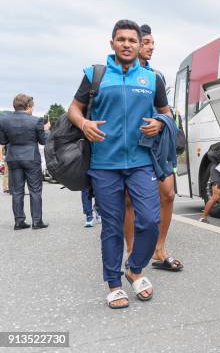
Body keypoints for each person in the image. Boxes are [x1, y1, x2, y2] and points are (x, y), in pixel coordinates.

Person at [67, 19, 171, 309]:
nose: (127, 44)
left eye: (132, 40)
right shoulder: (96, 74)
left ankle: (135, 268)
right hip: (104, 163)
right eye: (121, 39)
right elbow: (74, 108)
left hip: (141, 161)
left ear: (139, 46)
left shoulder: (152, 79)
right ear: (112, 43)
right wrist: (84, 122)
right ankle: (114, 284)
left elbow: (167, 112)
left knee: (150, 220)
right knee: (112, 226)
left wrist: (160, 122)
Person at [123, 24, 182, 272]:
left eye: (152, 44)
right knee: (128, 201)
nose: (151, 47)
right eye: (146, 42)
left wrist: (161, 122)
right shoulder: (121, 73)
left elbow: (164, 111)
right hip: (129, 144)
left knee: (167, 194)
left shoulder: (156, 76)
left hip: (156, 144)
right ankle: (132, 252)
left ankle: (159, 249)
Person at [0, 94, 49, 230]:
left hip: (13, 157)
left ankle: (19, 221)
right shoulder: (36, 121)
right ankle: (37, 221)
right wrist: (46, 130)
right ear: (28, 106)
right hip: (31, 157)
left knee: (16, 191)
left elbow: (3, 141)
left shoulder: (4, 120)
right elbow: (43, 141)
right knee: (35, 190)